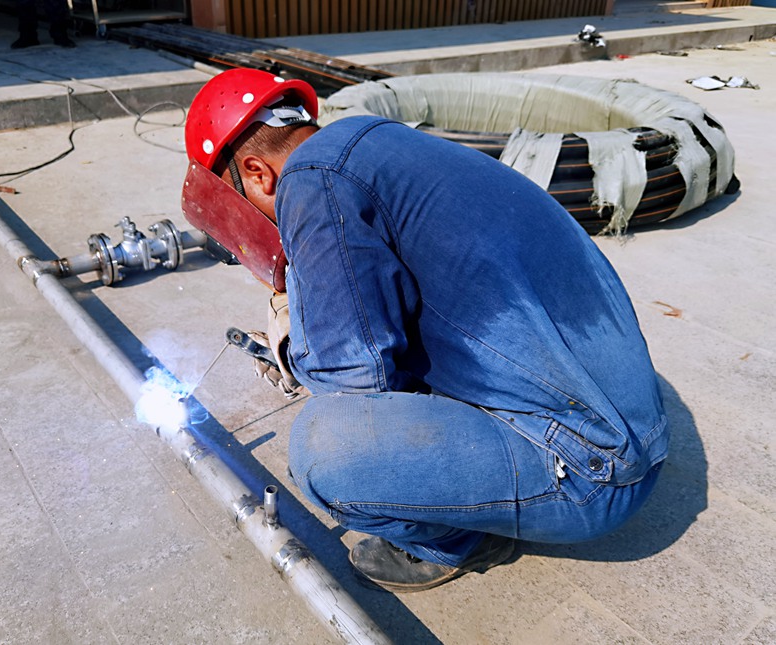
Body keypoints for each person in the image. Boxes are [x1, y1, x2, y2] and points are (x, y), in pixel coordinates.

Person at [182, 68, 669, 593]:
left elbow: (351, 381)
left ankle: (456, 540)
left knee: (327, 452)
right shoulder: (376, 141)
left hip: (591, 469)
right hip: (629, 426)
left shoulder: (309, 179)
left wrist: (294, 346)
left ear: (258, 173)